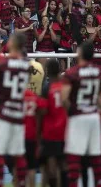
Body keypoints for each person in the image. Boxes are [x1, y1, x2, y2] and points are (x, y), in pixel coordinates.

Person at [0, 32, 33, 187]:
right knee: (18, 153)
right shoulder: (27, 65)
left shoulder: (0, 64)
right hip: (17, 112)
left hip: (1, 111)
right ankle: (21, 183)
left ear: (12, 43)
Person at [60, 41, 101, 186]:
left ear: (80, 53)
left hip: (78, 114)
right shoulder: (99, 71)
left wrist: (71, 109)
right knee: (95, 155)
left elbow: (63, 98)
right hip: (93, 114)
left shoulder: (72, 72)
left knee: (74, 155)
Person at [38, 59, 67, 187]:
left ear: (47, 71)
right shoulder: (65, 86)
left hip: (50, 131)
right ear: (60, 70)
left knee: (51, 163)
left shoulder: (46, 88)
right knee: (63, 163)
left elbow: (43, 110)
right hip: (64, 130)